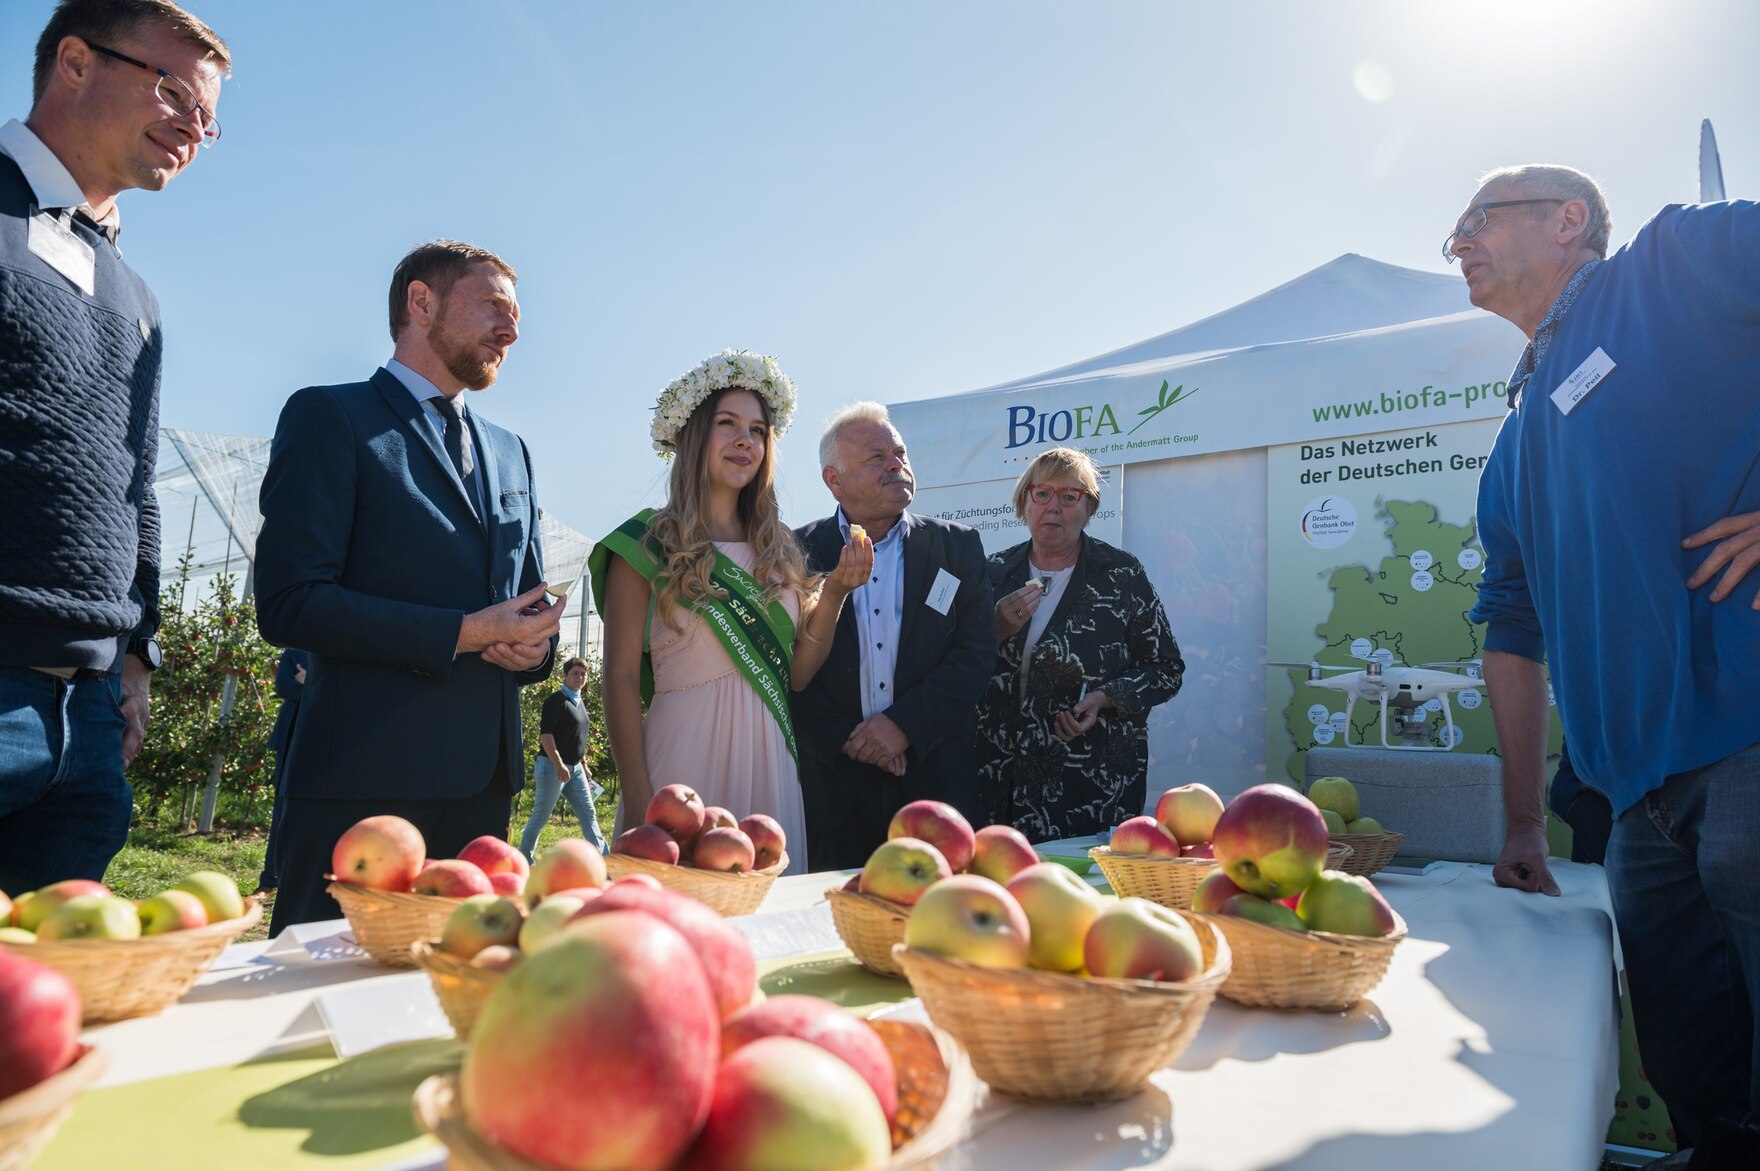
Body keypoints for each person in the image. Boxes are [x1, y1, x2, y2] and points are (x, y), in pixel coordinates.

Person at [1452, 164, 1760, 1158]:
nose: (1456, 242)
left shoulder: (1676, 265)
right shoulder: (1512, 442)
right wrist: (1518, 823)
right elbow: (1508, 626)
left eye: (1476, 219)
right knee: (1692, 1081)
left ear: (1566, 220)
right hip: (1633, 804)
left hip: (1746, 745)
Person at [255, 241, 562, 933]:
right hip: (361, 782)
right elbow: (289, 600)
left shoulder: (513, 450)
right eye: (493, 306)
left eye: (516, 316)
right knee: (317, 998)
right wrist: (467, 634)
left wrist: (532, 650)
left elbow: (526, 602)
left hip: (484, 785)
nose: (511, 330)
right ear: (421, 303)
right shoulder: (331, 418)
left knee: (450, 992)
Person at [0, 0, 229, 894]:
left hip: (87, 715)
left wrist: (137, 657)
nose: (192, 129)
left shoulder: (131, 289)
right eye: (174, 91)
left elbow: (136, 482)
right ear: (76, 61)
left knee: (54, 1006)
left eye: (208, 120)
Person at [591, 352, 868, 876]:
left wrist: (834, 594)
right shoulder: (648, 542)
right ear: (695, 437)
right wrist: (637, 795)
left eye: (758, 431)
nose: (746, 440)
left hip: (770, 757)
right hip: (681, 760)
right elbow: (621, 679)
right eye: (728, 425)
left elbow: (799, 675)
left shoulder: (778, 546)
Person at [791, 403, 996, 871]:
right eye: (876, 457)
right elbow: (784, 665)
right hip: (835, 792)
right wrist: (847, 738)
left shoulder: (957, 546)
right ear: (834, 480)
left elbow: (975, 654)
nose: (895, 464)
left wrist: (901, 726)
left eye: (900, 452)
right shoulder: (796, 552)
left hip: (935, 786)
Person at [976, 447, 1184, 840]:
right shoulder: (991, 572)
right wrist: (995, 628)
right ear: (1024, 502)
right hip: (996, 786)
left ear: (1089, 508)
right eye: (1041, 494)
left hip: (1086, 788)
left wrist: (1105, 697)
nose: (1052, 507)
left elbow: (1165, 670)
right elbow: (953, 665)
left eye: (1069, 496)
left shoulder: (1120, 574)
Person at [518, 656, 608, 860]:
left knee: (588, 814)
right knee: (541, 816)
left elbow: (576, 737)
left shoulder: (579, 702)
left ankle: (604, 858)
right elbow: (546, 735)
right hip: (553, 767)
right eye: (575, 673)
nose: (580, 677)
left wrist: (583, 764)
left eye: (583, 674)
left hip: (575, 768)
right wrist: (558, 764)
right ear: (565, 675)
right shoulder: (556, 701)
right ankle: (524, 859)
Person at [253, 647, 308, 892]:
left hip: (318, 738)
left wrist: (309, 681)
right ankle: (270, 878)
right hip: (289, 739)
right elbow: (283, 687)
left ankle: (299, 879)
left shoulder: (339, 649)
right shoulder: (294, 651)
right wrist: (315, 685)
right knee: (281, 809)